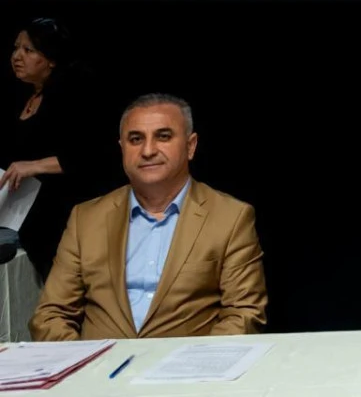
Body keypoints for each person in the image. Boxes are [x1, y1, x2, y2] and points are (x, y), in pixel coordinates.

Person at [29, 93, 267, 340]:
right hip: (99, 362)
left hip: (186, 362)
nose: (148, 150)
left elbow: (243, 313)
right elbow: (51, 315)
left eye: (163, 137)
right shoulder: (86, 219)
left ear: (190, 146)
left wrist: (197, 362)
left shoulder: (230, 217)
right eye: (136, 139)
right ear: (122, 148)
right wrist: (86, 360)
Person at [1, 17, 114, 277]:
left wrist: (34, 166)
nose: (17, 56)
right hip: (28, 219)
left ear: (51, 59)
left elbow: (90, 154)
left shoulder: (75, 92)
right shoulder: (21, 94)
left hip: (68, 217)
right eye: (16, 48)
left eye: (28, 50)